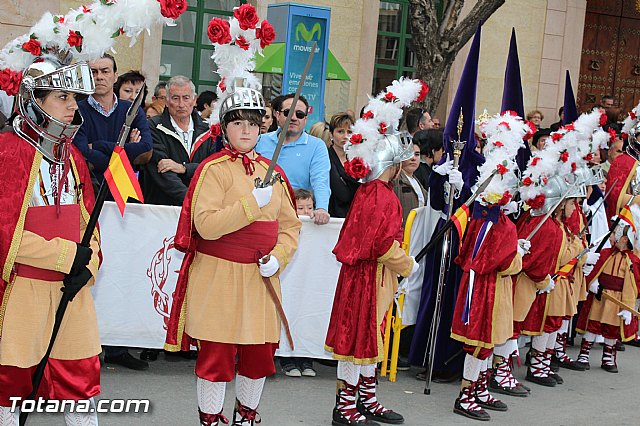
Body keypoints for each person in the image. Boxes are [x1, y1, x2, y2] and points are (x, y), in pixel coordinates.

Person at [164, 81, 301, 425]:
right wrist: (251, 205)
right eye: (238, 123)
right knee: (216, 357)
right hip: (219, 275)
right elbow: (206, 226)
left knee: (258, 355)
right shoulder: (213, 169)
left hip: (260, 279)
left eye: (253, 123)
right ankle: (210, 419)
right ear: (224, 127)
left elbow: (290, 227)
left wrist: (280, 257)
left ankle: (246, 416)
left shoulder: (276, 173)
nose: (246, 130)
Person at [0, 57, 102, 425]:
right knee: (11, 387)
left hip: (71, 292)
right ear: (34, 102)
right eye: (63, 97)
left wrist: (86, 266)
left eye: (75, 97)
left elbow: (90, 228)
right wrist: (65, 255)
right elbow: (5, 235)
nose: (74, 106)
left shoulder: (71, 156)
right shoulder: (7, 152)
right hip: (22, 291)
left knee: (81, 382)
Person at [325, 78, 425, 426]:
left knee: (371, 338)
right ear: (392, 164)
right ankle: (346, 405)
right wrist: (407, 263)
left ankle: (366, 398)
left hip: (371, 277)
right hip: (368, 277)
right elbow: (382, 245)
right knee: (358, 340)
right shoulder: (380, 195)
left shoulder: (372, 192)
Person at [73, 53, 152, 371]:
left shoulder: (131, 111)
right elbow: (80, 152)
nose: (99, 76)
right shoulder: (76, 110)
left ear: (115, 74)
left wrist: (101, 147)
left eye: (105, 71)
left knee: (123, 270)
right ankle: (86, 344)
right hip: (90, 198)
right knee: (92, 267)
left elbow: (145, 149)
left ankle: (118, 346)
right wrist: (119, 149)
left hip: (126, 202)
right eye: (93, 71)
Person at [575, 211, 640, 372]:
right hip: (600, 297)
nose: (611, 238)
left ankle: (608, 357)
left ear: (624, 239)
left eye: (614, 235)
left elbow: (632, 285)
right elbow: (595, 271)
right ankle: (584, 354)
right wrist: (594, 283)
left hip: (616, 300)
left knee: (612, 329)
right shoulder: (605, 254)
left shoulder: (632, 261)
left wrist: (627, 307)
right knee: (593, 325)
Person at [256, 94, 331, 226]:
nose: (294, 118)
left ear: (306, 119)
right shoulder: (260, 141)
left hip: (296, 220)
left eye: (300, 114)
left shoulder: (317, 146)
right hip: (261, 215)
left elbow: (321, 180)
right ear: (277, 115)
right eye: (288, 112)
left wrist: (321, 208)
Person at [140, 75, 213, 206]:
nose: (181, 104)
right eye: (175, 98)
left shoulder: (208, 130)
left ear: (194, 100)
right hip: (163, 209)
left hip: (200, 209)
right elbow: (162, 171)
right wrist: (192, 201)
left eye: (186, 98)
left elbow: (212, 169)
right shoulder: (153, 127)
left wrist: (184, 168)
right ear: (167, 101)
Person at [327, 112, 360, 218]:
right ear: (331, 134)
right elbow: (342, 194)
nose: (345, 136)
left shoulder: (358, 158)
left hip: (354, 216)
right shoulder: (325, 156)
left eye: (349, 132)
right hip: (331, 215)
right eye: (340, 131)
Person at [393, 142, 427, 225]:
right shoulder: (395, 179)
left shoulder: (416, 180)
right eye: (409, 153)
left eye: (417, 154)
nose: (413, 158)